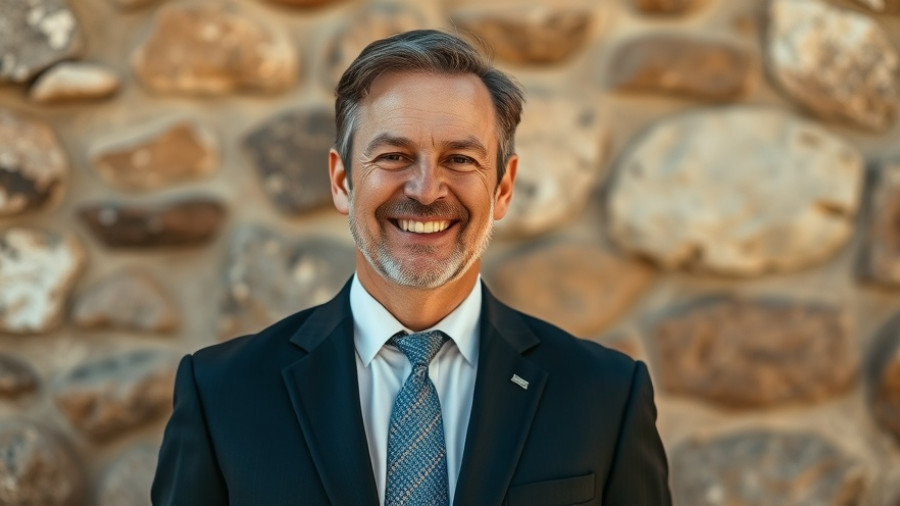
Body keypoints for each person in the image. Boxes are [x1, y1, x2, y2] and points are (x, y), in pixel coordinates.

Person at [152, 29, 671, 506]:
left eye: (460, 159)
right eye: (394, 156)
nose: (425, 190)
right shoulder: (222, 393)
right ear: (341, 181)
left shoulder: (604, 396)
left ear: (504, 187)